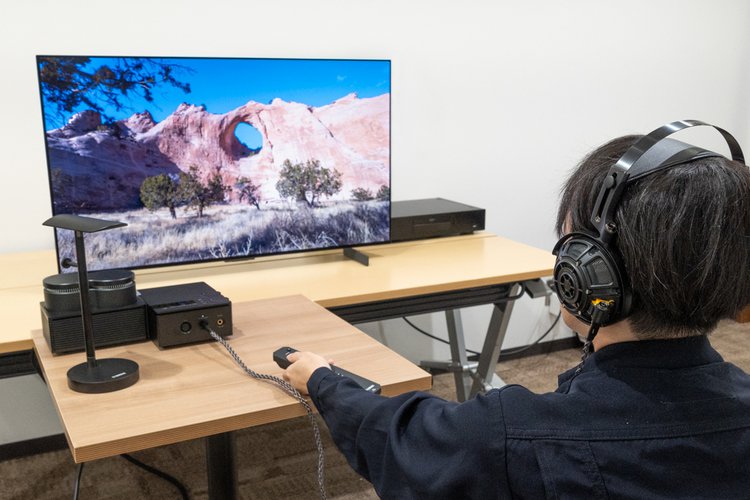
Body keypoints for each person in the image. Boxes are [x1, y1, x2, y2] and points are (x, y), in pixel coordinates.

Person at [283, 125, 750, 499]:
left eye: (568, 240)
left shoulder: (508, 438)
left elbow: (399, 438)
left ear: (589, 272)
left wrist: (322, 380)